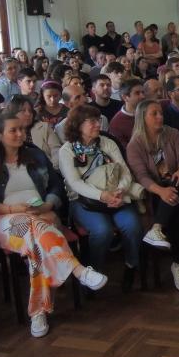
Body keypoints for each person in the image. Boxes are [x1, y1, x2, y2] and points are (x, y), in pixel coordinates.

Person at [0, 112, 108, 338]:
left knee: (36, 244)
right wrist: (11, 210)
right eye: (13, 130)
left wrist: (47, 206)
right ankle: (78, 270)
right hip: (4, 221)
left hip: (43, 215)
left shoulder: (35, 156)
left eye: (21, 129)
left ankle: (38, 311)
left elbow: (57, 187)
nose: (21, 133)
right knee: (33, 229)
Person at [58, 105, 142, 291]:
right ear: (78, 125)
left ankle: (131, 265)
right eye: (92, 121)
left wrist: (119, 190)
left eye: (98, 120)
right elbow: (74, 183)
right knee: (102, 231)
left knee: (132, 226)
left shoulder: (106, 143)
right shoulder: (67, 150)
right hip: (83, 201)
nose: (98, 124)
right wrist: (101, 195)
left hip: (115, 196)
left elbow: (125, 172)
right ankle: (93, 272)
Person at [125, 100, 179, 292]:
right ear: (142, 118)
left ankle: (157, 228)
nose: (160, 117)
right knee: (175, 208)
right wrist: (161, 191)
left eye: (160, 113)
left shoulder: (172, 133)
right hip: (154, 192)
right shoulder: (135, 144)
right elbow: (141, 176)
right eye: (154, 114)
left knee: (176, 187)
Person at [5, 95, 63, 169]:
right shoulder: (6, 132)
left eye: (30, 111)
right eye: (23, 111)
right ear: (13, 113)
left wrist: (49, 169)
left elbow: (57, 151)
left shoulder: (44, 127)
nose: (28, 114)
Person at [108, 78, 145, 149]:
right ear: (125, 97)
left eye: (143, 92)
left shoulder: (149, 112)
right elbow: (125, 151)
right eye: (137, 93)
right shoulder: (116, 124)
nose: (142, 96)